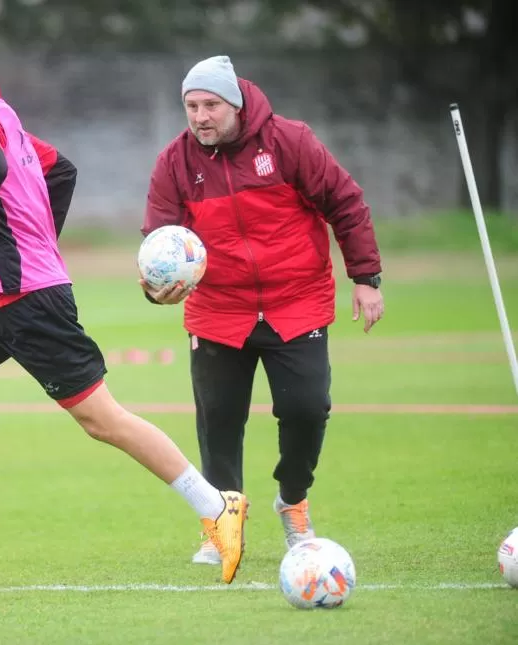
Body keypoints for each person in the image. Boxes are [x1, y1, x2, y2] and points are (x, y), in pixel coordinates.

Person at [0, 32, 247, 584]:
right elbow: (60, 169)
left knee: (102, 421)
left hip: (27, 301)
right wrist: (39, 243)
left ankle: (217, 506)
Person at [141, 55, 384, 565]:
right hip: (217, 310)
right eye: (191, 106)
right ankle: (220, 522)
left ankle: (292, 501)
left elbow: (346, 203)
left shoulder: (289, 141)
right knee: (219, 422)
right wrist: (154, 286)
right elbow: (159, 239)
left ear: (235, 104)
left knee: (307, 409)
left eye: (210, 105)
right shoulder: (175, 163)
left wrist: (365, 278)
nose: (200, 116)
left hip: (296, 302)